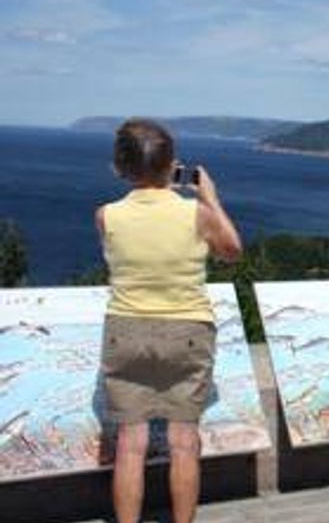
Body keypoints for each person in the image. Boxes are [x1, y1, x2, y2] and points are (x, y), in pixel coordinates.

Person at [95, 118, 242, 523]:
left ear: (119, 168)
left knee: (129, 444)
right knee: (183, 442)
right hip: (188, 331)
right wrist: (209, 197)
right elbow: (232, 250)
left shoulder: (106, 216)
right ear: (172, 165)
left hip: (126, 331)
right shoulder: (196, 214)